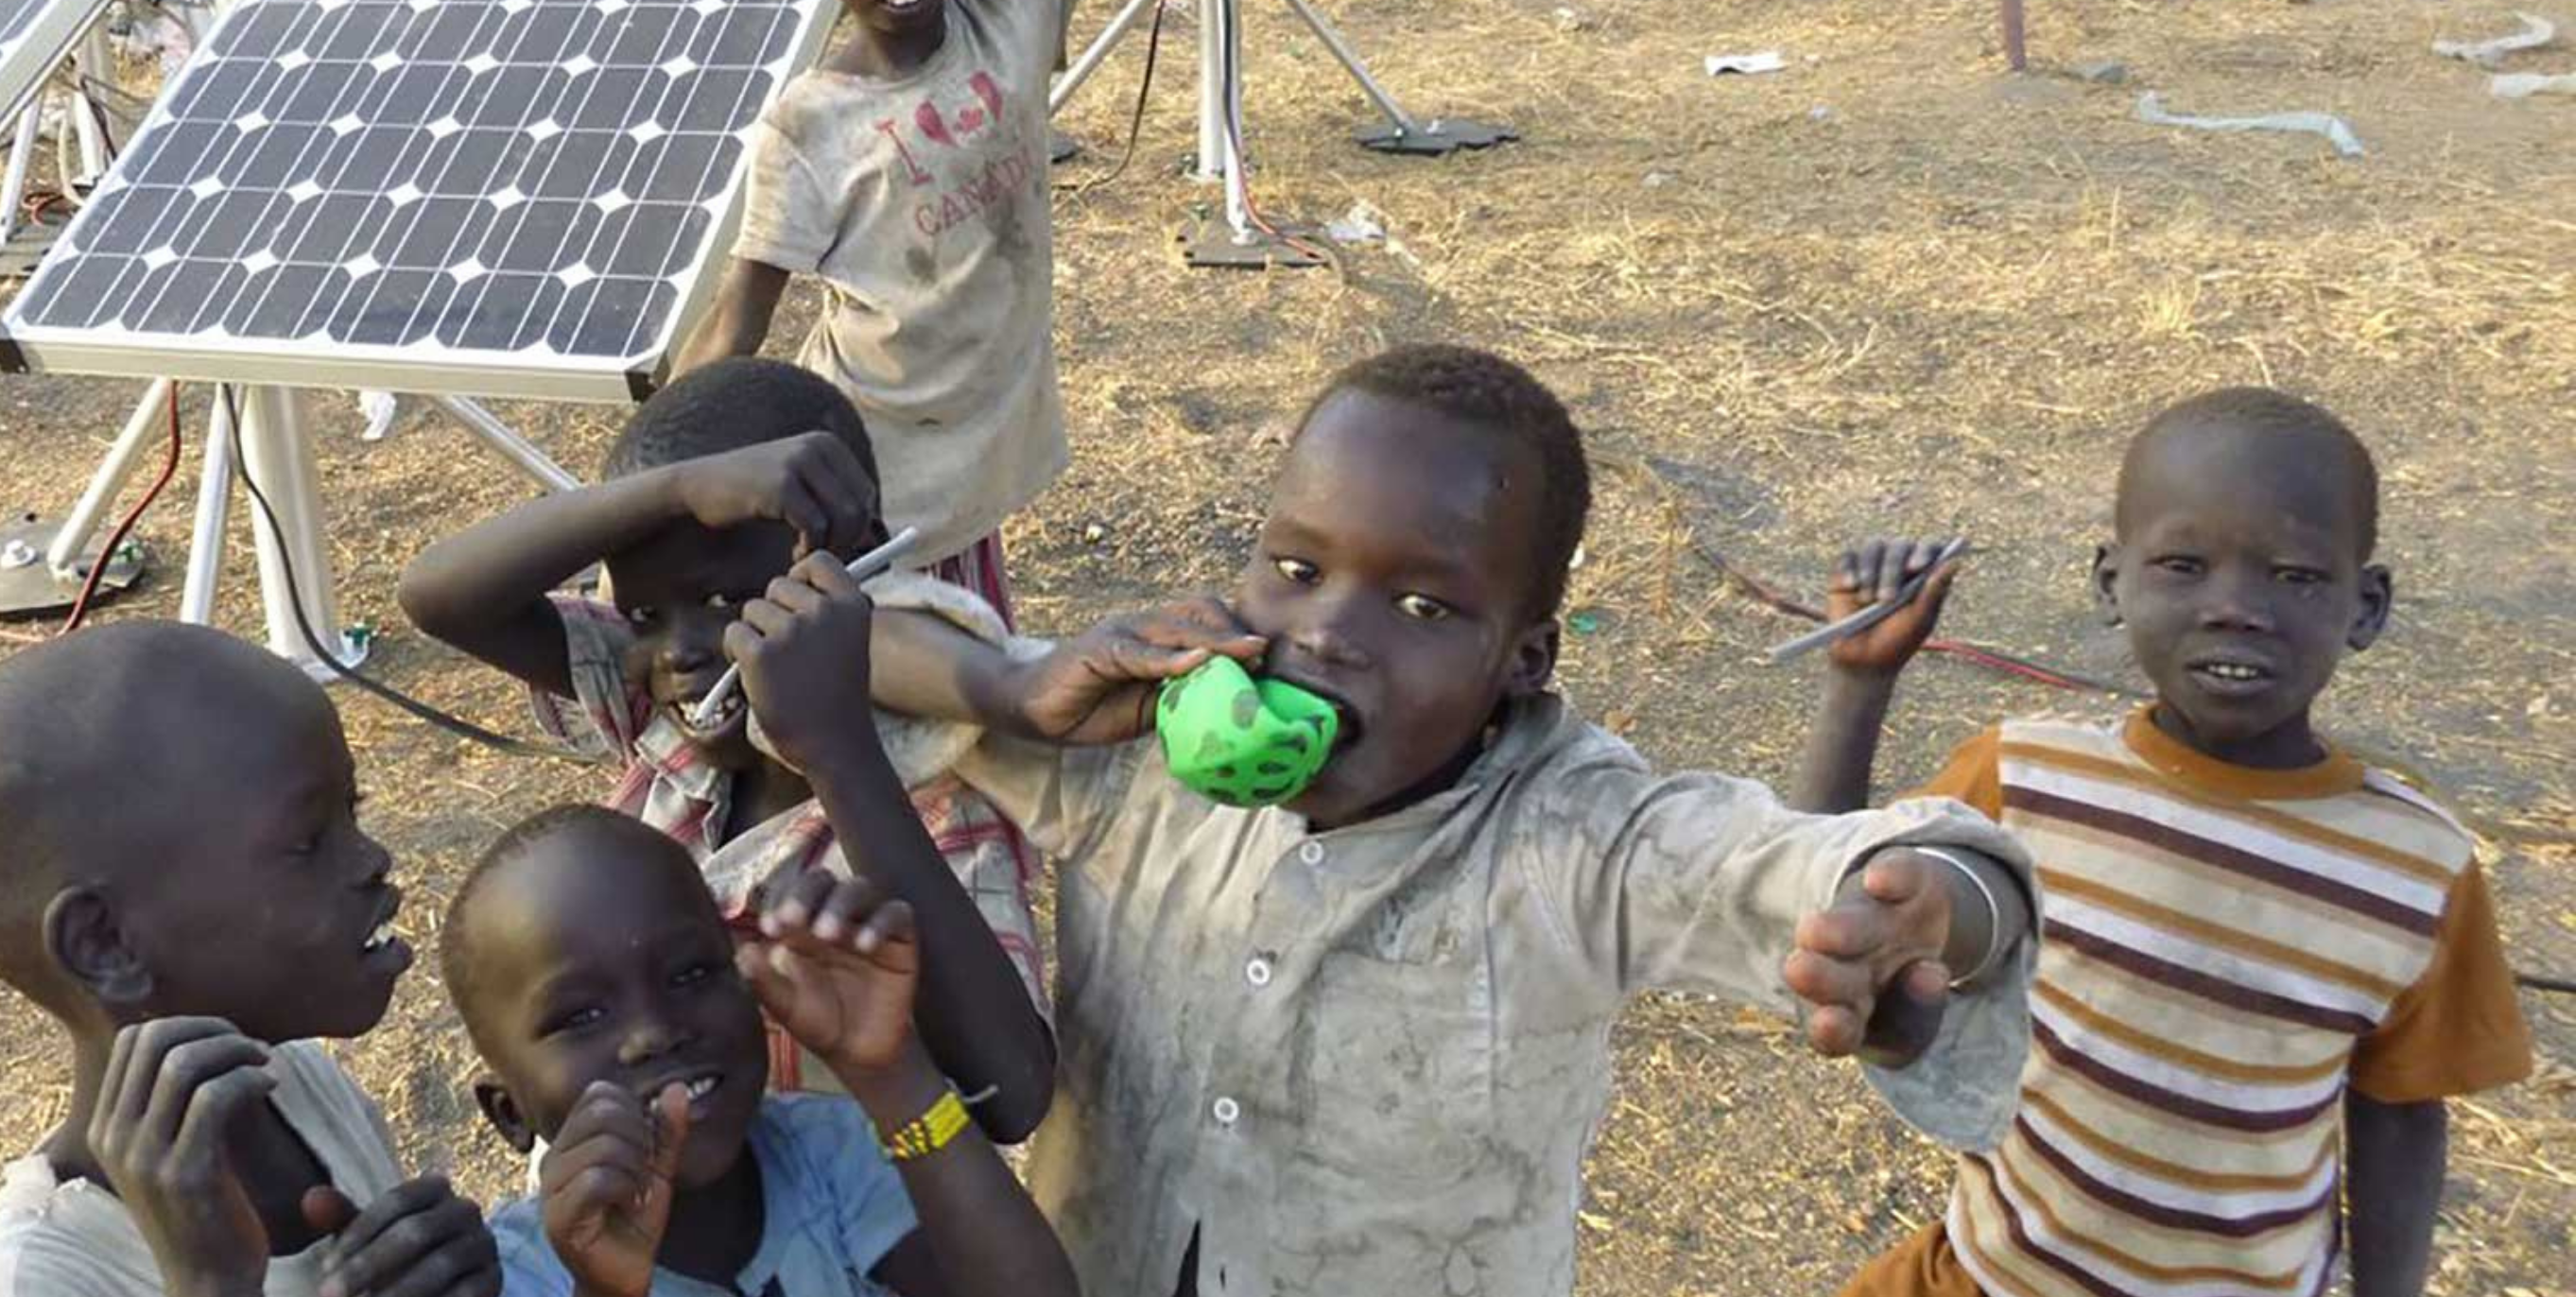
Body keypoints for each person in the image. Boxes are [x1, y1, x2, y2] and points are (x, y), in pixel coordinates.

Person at [871, 341, 2044, 1297]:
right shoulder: (1135, 747)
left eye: (1424, 604)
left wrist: (1937, 899)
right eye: (1294, 566)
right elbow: (854, 654)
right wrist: (1011, 688)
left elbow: (1785, 863)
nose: (1328, 631)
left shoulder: (1573, 839)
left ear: (1523, 659)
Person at [1798, 388, 2534, 1297]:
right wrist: (1859, 684)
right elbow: (1827, 904)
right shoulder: (2025, 778)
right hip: (1995, 1273)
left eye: (2296, 575)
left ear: (2367, 604)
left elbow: (2399, 1113)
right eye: (2184, 565)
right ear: (2112, 582)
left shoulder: (2418, 870)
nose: (2236, 607)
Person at [396, 356, 1052, 1142]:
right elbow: (436, 596)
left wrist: (837, 750)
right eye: (644, 615)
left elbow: (1013, 1097)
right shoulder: (664, 719)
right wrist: (673, 491)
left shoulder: (938, 810)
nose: (678, 651)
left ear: (855, 571)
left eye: (717, 602)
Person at [671, 0, 1219, 621]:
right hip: (871, 481)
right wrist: (654, 487)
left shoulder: (1011, 6)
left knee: (975, 663)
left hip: (975, 459)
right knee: (915, 696)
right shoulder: (810, 127)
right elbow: (739, 319)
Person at [0, 622, 501, 1297]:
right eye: (308, 841)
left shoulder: (296, 1085)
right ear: (105, 944)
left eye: (352, 809)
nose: (372, 861)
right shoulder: (31, 1281)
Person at [440, 806, 1081, 1297]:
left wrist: (894, 1075)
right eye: (580, 1016)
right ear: (510, 1112)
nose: (654, 1033)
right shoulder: (514, 1276)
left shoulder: (829, 1150)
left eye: (691, 974)